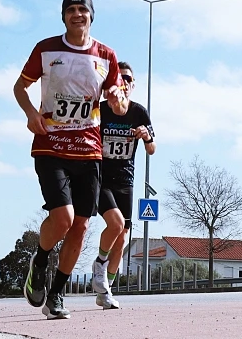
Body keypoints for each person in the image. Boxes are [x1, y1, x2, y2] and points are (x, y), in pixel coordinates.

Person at [14, 0, 126, 320]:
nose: (78, 15)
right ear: (64, 16)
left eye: (83, 10)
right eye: (71, 10)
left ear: (92, 16)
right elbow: (20, 87)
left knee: (80, 225)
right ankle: (41, 259)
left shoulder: (106, 55)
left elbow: (115, 95)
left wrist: (118, 102)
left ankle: (57, 293)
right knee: (62, 217)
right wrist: (31, 112)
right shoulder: (46, 49)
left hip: (88, 151)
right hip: (51, 145)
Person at [91, 60, 155, 309]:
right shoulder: (101, 110)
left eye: (128, 79)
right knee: (115, 224)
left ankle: (104, 289)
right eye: (120, 78)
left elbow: (151, 149)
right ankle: (99, 263)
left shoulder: (139, 112)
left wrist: (147, 136)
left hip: (126, 181)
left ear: (133, 85)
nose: (124, 83)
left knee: (122, 236)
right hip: (101, 178)